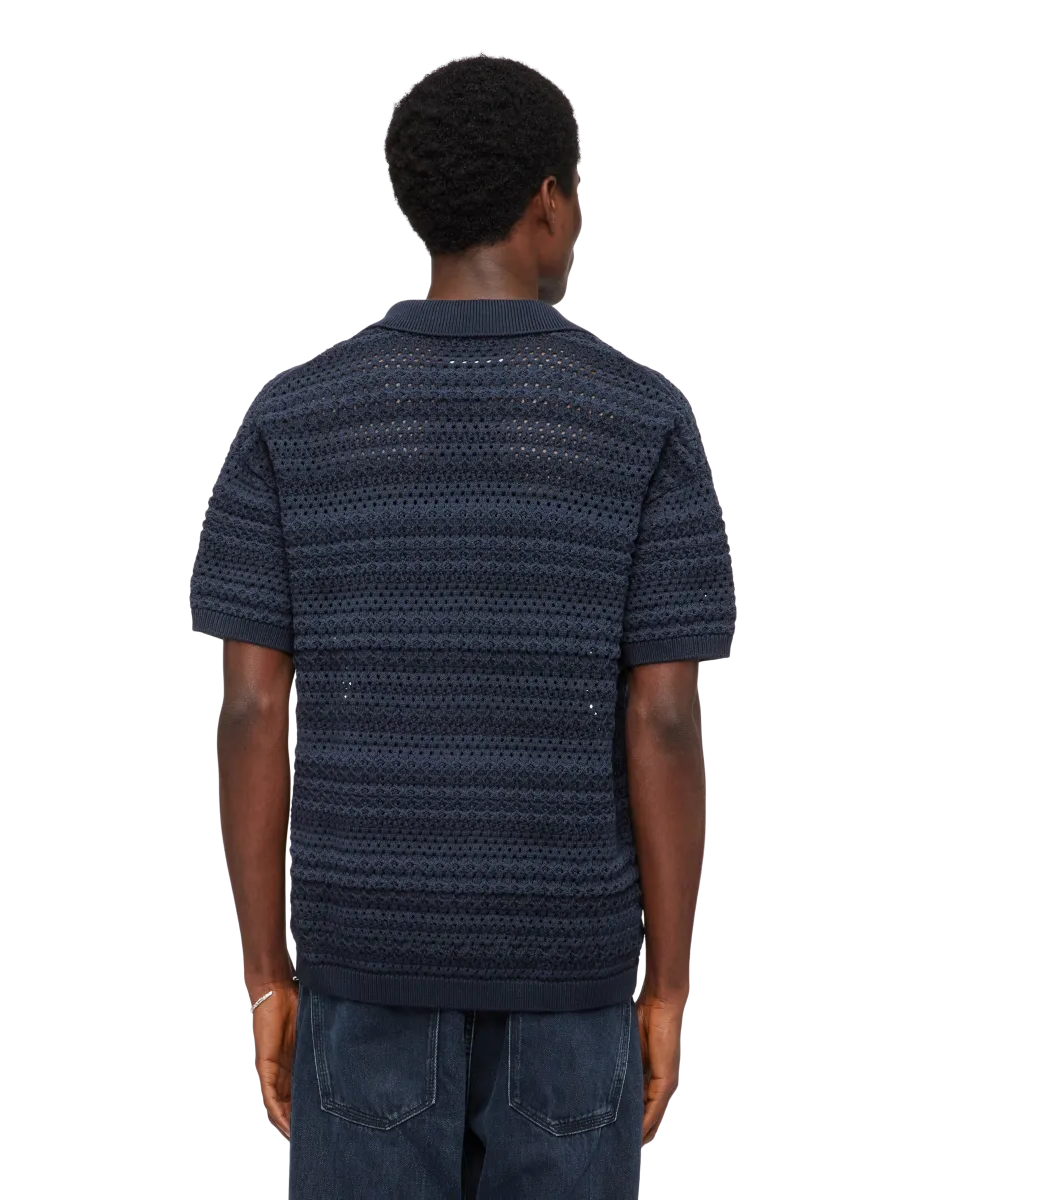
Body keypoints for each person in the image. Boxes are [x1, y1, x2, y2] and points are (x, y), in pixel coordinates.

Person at [189, 51, 735, 1199]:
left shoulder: (292, 416)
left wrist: (266, 973)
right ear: (550, 202)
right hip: (570, 977)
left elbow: (251, 708)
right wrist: (669, 985)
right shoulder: (644, 419)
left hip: (363, 968)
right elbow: (666, 716)